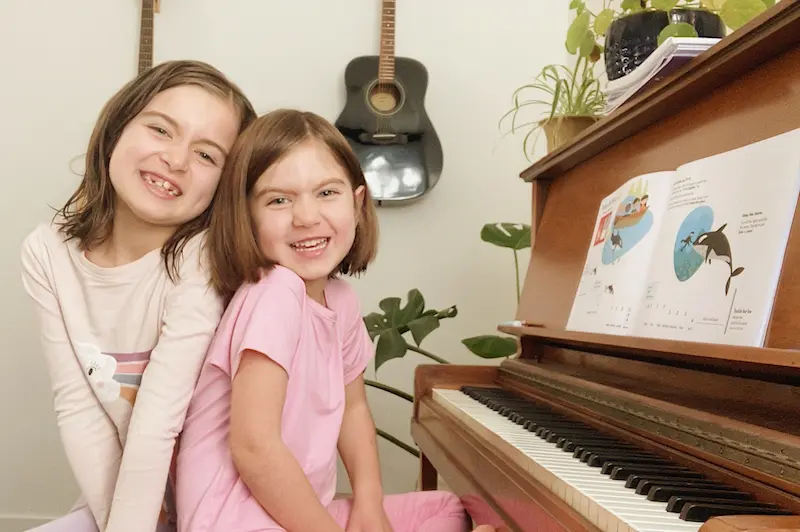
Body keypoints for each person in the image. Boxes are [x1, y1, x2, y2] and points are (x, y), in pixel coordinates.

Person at [175, 109, 495, 532]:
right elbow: (254, 446)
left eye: (327, 193)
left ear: (358, 202)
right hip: (232, 519)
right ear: (246, 216)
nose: (306, 217)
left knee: (446, 511)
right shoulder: (276, 293)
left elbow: (354, 408)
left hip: (298, 513)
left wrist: (369, 501)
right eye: (278, 200)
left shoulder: (339, 300)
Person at [21, 60, 257, 532]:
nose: (176, 159)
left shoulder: (200, 260)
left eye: (208, 155)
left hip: (223, 504)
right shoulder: (47, 252)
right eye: (160, 129)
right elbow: (79, 408)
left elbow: (157, 422)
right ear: (116, 126)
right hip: (131, 498)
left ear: (225, 187)